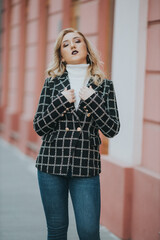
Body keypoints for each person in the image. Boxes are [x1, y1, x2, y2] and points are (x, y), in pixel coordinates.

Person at [33, 28, 120, 240]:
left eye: (77, 41)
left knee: (89, 232)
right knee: (56, 231)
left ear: (86, 48)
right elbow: (39, 126)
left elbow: (112, 128)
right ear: (61, 56)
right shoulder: (52, 83)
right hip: (51, 165)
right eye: (66, 44)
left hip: (86, 167)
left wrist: (94, 101)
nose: (72, 45)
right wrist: (61, 102)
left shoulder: (104, 86)